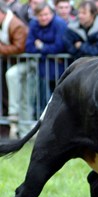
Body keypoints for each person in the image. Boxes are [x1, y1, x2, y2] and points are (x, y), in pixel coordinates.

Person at [19, 1, 67, 131]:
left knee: (60, 101)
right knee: (42, 101)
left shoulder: (59, 24)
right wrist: (47, 49)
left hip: (59, 70)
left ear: (52, 13)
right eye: (40, 15)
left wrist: (41, 46)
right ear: (36, 16)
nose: (44, 18)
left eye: (46, 14)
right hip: (43, 71)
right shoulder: (34, 24)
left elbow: (59, 47)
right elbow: (29, 47)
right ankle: (43, 129)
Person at [0, 1, 27, 139]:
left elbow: (19, 48)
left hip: (23, 65)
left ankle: (14, 128)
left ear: (2, 13)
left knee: (19, 100)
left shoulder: (16, 25)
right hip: (7, 64)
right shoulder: (4, 24)